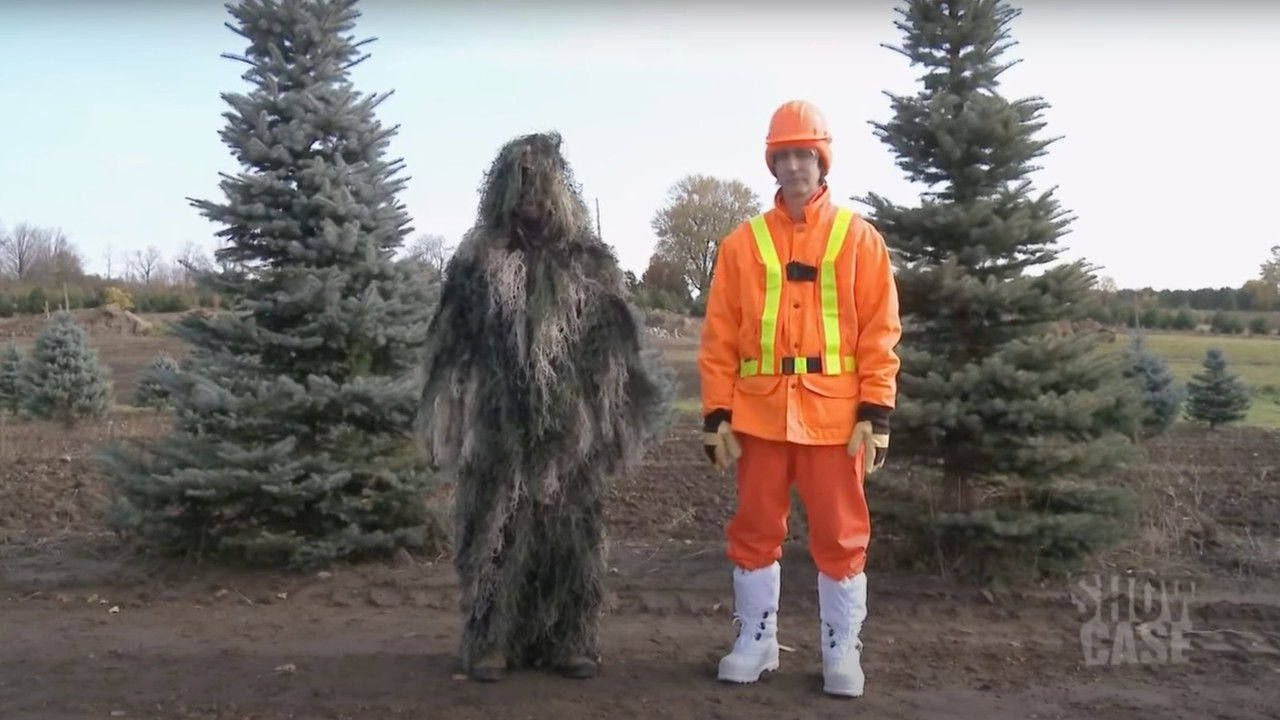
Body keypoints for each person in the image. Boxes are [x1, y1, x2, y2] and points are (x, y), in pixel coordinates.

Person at [417, 132, 668, 682]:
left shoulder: (589, 263)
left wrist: (608, 420)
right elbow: (451, 346)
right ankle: (491, 642)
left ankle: (569, 640)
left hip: (571, 428)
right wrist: (456, 419)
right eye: (520, 181)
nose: (529, 194)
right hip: (496, 424)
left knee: (572, 535)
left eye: (539, 182)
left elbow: (616, 349)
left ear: (558, 188)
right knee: (493, 533)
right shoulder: (477, 262)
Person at [697, 99, 902, 698]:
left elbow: (880, 331)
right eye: (782, 156)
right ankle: (756, 641)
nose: (793, 166)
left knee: (841, 536)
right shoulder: (742, 243)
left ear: (822, 160)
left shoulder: (859, 239)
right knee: (754, 529)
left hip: (835, 420)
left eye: (803, 155)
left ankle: (842, 649)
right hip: (759, 415)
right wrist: (716, 413)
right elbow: (720, 336)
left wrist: (876, 412)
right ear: (772, 163)